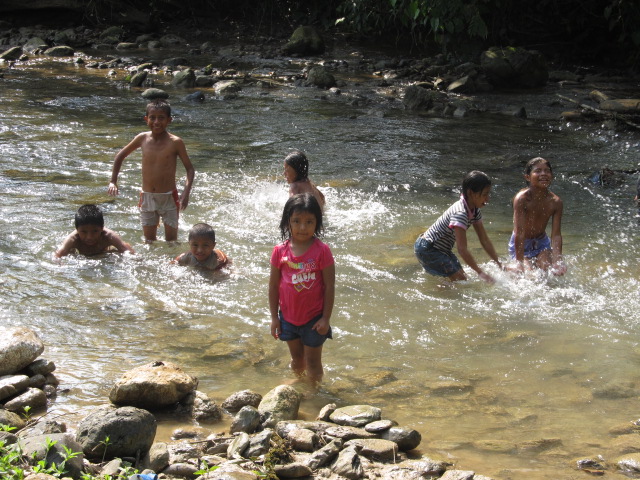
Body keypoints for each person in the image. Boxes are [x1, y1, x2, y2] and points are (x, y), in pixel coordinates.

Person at [269, 193, 335, 386]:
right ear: (287, 222)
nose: (302, 227)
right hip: (288, 318)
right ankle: (299, 385)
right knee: (297, 359)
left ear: (317, 223)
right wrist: (274, 317)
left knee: (313, 361)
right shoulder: (279, 251)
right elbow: (273, 286)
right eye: (296, 221)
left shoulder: (322, 251)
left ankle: (313, 395)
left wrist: (325, 318)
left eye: (309, 221)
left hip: (314, 320)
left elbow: (330, 286)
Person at [108, 100, 195, 243]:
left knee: (171, 241)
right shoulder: (142, 138)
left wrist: (186, 193)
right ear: (146, 119)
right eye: (152, 117)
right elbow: (120, 156)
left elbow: (190, 169)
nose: (156, 122)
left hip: (169, 198)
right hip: (147, 197)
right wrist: (113, 181)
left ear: (169, 120)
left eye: (161, 118)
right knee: (149, 241)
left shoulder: (175, 142)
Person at [414, 170, 502, 283]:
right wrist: (480, 272)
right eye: (484, 194)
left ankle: (440, 290)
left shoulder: (475, 211)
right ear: (470, 193)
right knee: (459, 280)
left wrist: (499, 264)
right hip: (429, 248)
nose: (488, 198)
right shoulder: (460, 213)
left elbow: (484, 240)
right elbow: (462, 249)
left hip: (442, 249)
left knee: (462, 279)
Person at [508, 157, 566, 275]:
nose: (543, 174)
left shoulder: (555, 202)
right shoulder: (522, 199)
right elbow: (519, 232)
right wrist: (518, 262)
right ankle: (518, 263)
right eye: (538, 171)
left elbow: (556, 235)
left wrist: (557, 260)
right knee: (529, 275)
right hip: (521, 243)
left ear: (552, 176)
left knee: (546, 271)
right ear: (527, 177)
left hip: (541, 243)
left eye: (547, 171)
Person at [55, 204, 135, 257]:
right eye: (84, 232)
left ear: (102, 228)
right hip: (81, 256)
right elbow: (57, 255)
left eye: (95, 231)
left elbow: (128, 251)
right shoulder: (73, 239)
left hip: (102, 254)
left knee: (113, 253)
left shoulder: (108, 236)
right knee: (70, 253)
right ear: (77, 229)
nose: (89, 237)